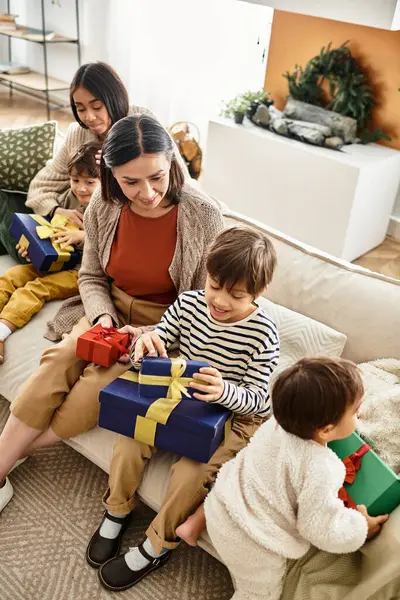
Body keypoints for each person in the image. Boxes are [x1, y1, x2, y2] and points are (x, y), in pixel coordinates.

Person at [0, 114, 224, 513]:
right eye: (131, 182)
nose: (148, 192)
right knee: (58, 360)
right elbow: (89, 276)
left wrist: (153, 332)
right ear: (112, 176)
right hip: (108, 307)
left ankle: (11, 453)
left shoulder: (203, 214)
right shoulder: (103, 203)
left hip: (166, 322)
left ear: (172, 160)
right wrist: (102, 318)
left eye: (156, 176)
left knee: (94, 390)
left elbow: (200, 303)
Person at [90, 226, 280, 593]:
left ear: (258, 293)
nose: (220, 301)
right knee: (129, 442)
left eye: (236, 295)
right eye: (213, 286)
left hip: (233, 414)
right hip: (180, 393)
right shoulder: (191, 303)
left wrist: (224, 391)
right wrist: (151, 340)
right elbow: (165, 333)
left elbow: (260, 399)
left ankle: (157, 545)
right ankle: (117, 508)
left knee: (191, 475)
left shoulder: (264, 333)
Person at [204, 357, 389, 600]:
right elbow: (319, 529)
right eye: (355, 411)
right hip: (251, 541)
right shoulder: (321, 468)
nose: (360, 414)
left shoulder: (276, 425)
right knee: (259, 593)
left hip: (220, 508)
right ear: (325, 429)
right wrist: (360, 527)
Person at [0, 62, 134, 263]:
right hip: (63, 215)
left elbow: (175, 184)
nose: (89, 117)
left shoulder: (139, 126)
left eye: (97, 106)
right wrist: (56, 211)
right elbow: (41, 184)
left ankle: (26, 251)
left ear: (115, 99)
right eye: (80, 109)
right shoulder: (78, 134)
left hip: (89, 234)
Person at [0, 142, 101, 364]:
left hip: (80, 273)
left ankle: (1, 332)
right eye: (76, 181)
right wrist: (32, 250)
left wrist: (82, 238)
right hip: (55, 261)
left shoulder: (106, 207)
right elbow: (48, 232)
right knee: (12, 276)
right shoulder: (67, 200)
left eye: (90, 182)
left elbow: (110, 245)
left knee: (35, 289)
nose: (81, 188)